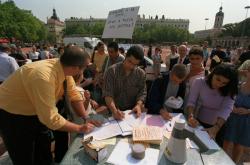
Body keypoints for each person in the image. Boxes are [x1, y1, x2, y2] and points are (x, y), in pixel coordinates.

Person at [0, 46, 98, 165]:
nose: (85, 70)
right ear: (76, 68)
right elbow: (50, 118)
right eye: (85, 66)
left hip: (36, 112)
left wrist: (86, 118)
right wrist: (79, 128)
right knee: (24, 157)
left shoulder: (64, 69)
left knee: (43, 153)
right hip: (13, 115)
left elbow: (73, 94)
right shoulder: (43, 77)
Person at [186, 64, 238, 146]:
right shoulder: (199, 82)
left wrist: (216, 128)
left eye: (224, 83)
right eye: (218, 79)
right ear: (213, 73)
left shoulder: (230, 89)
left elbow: (226, 109)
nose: (219, 84)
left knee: (212, 150)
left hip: (219, 125)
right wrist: (191, 116)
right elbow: (191, 101)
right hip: (199, 122)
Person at [103, 45, 147, 120]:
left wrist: (139, 105)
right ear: (125, 56)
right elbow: (108, 95)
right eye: (130, 61)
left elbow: (142, 92)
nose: (131, 66)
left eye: (135, 64)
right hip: (113, 112)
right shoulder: (111, 72)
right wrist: (114, 111)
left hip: (132, 113)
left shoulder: (141, 74)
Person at [223, 60, 250, 163]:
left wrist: (248, 111)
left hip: (246, 122)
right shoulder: (238, 86)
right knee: (226, 141)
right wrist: (232, 107)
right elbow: (228, 99)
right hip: (231, 117)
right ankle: (220, 161)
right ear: (247, 72)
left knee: (238, 145)